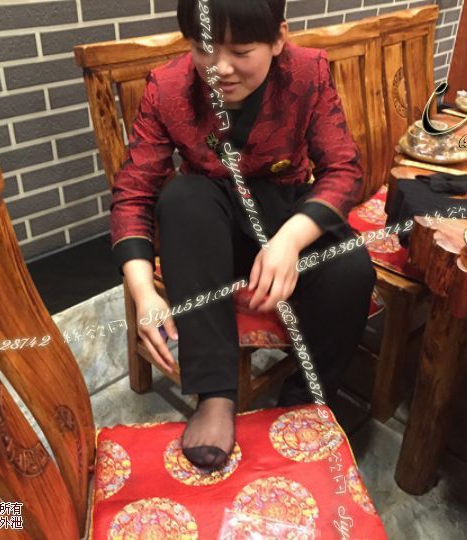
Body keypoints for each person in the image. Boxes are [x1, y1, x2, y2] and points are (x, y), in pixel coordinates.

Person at [111, 0, 376, 470]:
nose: (221, 68)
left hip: (286, 213)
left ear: (278, 39)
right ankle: (215, 393)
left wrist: (290, 241)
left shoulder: (307, 73)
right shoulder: (168, 88)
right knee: (183, 197)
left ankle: (307, 398)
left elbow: (342, 169)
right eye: (203, 48)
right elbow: (134, 193)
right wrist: (143, 292)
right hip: (209, 230)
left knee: (351, 267)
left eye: (240, 51)